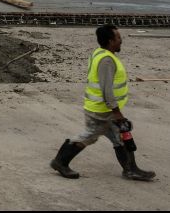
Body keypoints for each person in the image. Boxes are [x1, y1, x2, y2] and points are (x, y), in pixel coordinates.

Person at [50, 25, 155, 181]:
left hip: (103, 109)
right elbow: (107, 90)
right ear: (110, 41)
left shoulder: (99, 53)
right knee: (89, 136)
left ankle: (131, 169)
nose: (121, 41)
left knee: (121, 136)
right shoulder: (106, 60)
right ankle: (60, 162)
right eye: (118, 38)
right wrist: (117, 112)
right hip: (101, 111)